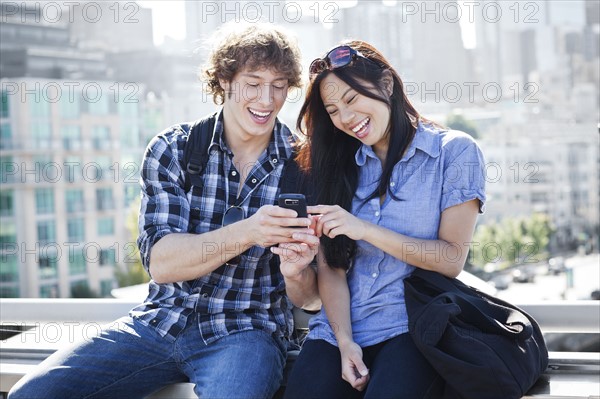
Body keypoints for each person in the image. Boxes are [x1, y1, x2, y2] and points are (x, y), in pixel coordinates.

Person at [9, 23, 320, 399]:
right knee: (32, 395)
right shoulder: (173, 149)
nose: (267, 99)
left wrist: (296, 271)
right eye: (253, 83)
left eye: (279, 84)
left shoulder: (304, 165)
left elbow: (309, 299)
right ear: (224, 81)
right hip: (158, 324)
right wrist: (250, 231)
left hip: (247, 333)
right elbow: (163, 263)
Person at [284, 41, 487, 398]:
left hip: (411, 329)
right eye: (332, 110)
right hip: (337, 331)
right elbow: (332, 268)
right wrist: (345, 342)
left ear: (387, 85)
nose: (346, 118)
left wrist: (364, 229)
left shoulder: (454, 152)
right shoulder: (338, 167)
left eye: (351, 100)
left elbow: (450, 259)